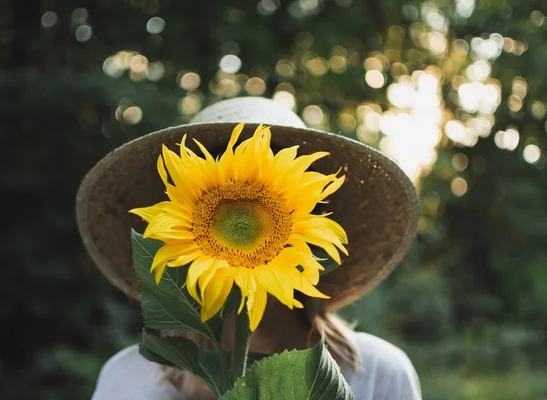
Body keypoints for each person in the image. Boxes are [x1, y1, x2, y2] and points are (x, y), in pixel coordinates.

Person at [77, 97, 422, 399]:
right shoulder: (132, 381)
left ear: (307, 228)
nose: (240, 225)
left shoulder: (378, 374)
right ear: (173, 232)